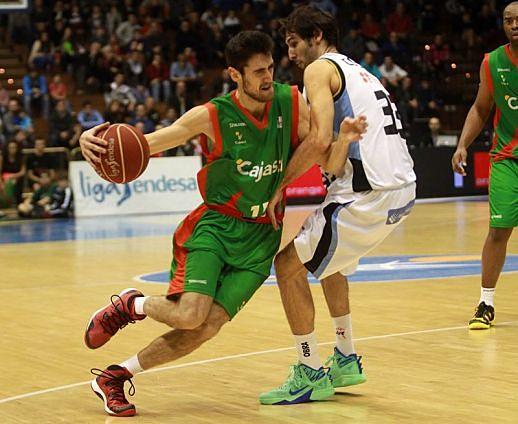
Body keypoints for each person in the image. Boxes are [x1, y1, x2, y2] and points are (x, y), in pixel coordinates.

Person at [78, 30, 367, 417]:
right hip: (216, 227)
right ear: (235, 74)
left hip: (262, 237)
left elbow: (325, 158)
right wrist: (90, 139)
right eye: (258, 72)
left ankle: (114, 377)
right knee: (189, 314)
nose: (268, 77)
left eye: (270, 68)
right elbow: (146, 143)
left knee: (206, 326)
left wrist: (344, 139)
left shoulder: (289, 102)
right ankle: (133, 304)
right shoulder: (211, 115)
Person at [259, 5, 416, 405]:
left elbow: (318, 141)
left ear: (315, 36)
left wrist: (278, 186)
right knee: (333, 264)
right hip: (400, 187)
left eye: (293, 43)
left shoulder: (319, 68)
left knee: (287, 266)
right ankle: (345, 358)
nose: (289, 54)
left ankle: (309, 370)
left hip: (368, 190)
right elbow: (333, 150)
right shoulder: (358, 69)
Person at [451, 2, 518, 331]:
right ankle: (485, 303)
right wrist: (462, 144)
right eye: (508, 20)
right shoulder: (492, 62)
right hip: (507, 158)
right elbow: (480, 108)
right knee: (498, 230)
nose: (514, 24)